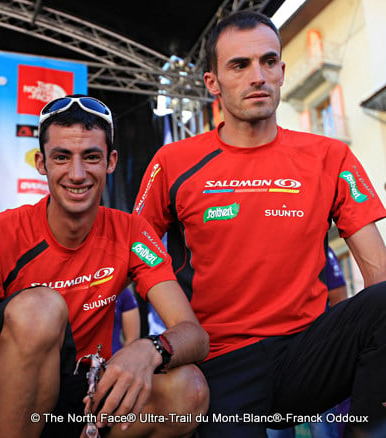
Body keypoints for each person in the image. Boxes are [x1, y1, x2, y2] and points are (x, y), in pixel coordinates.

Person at [133, 10, 386, 437]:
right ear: (212, 83)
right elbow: (132, 243)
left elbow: (378, 274)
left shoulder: (329, 156)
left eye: (269, 62)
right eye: (239, 65)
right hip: (218, 363)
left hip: (307, 355)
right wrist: (168, 332)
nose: (258, 76)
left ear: (283, 71)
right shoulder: (174, 162)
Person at [0, 95, 210, 438]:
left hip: (82, 399)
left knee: (188, 389)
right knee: (41, 308)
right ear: (41, 163)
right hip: (4, 406)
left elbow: (193, 334)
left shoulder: (131, 233)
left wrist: (150, 350)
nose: (77, 174)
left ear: (111, 162)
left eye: (91, 157)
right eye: (62, 157)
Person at [266, 247, 349, 438]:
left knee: (322, 428)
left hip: (315, 353)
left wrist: (329, 343)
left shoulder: (318, 249)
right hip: (274, 353)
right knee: (276, 429)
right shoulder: (263, 249)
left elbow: (339, 298)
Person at [112, 287, 141, 354]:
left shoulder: (122, 291)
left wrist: (120, 361)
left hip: (113, 358)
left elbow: (132, 339)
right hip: (84, 359)